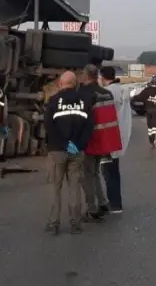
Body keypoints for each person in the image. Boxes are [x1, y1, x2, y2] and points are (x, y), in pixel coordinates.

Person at [43, 71, 94, 235]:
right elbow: (89, 127)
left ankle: (53, 224)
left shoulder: (53, 101)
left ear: (60, 83)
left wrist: (64, 143)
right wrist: (77, 145)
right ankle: (75, 223)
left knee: (55, 188)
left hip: (57, 150)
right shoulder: (85, 102)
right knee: (74, 187)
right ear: (75, 84)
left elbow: (49, 127)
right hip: (76, 151)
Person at [79, 64, 123, 221]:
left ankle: (92, 208)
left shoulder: (84, 93)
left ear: (85, 76)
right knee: (95, 172)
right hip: (105, 140)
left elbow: (82, 119)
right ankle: (103, 202)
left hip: (90, 140)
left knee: (87, 175)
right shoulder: (106, 93)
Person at [99, 66, 132, 214]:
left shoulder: (108, 92)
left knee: (107, 172)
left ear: (102, 77)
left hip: (110, 135)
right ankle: (117, 203)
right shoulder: (123, 90)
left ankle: (112, 204)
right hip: (122, 134)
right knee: (114, 171)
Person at [132, 75, 156, 147]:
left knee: (149, 125)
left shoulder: (147, 90)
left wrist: (132, 98)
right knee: (155, 125)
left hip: (148, 110)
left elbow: (139, 97)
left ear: (151, 82)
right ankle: (153, 137)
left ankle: (150, 138)